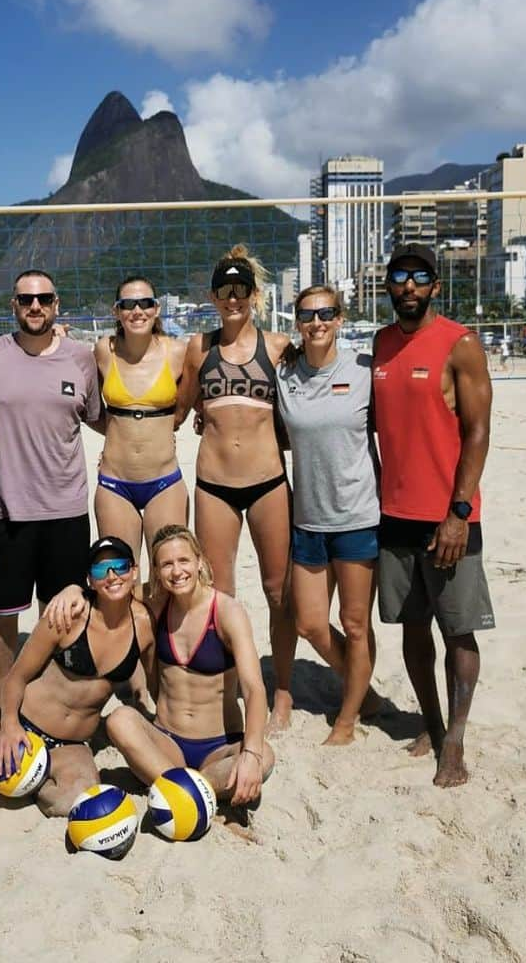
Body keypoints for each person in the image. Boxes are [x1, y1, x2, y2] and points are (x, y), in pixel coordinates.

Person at [0, 538, 155, 829]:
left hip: (72, 744)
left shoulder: (144, 625)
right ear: (89, 579)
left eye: (119, 567)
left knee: (78, 802)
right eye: (101, 570)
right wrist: (10, 727)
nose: (112, 576)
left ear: (135, 571)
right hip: (21, 724)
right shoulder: (68, 616)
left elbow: (159, 684)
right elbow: (17, 677)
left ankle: (26, 780)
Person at [373, 243, 494, 788]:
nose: (409, 286)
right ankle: (430, 721)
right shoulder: (378, 345)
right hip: (394, 515)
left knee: (458, 632)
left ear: (435, 287)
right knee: (412, 628)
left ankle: (455, 743)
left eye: (419, 278)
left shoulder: (460, 344)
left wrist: (459, 513)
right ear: (389, 285)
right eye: (400, 276)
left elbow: (478, 431)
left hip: (448, 518)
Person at [47, 525, 273, 807]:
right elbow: (111, 587)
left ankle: (182, 792)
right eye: (166, 564)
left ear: (199, 561)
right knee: (119, 720)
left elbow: (253, 689)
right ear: (156, 571)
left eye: (183, 561)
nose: (176, 572)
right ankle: (194, 795)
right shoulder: (156, 603)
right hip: (167, 743)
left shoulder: (227, 612)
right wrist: (74, 590)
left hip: (219, 746)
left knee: (264, 756)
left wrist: (250, 754)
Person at [177, 246, 295, 730]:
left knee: (277, 589)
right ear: (212, 295)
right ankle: (228, 688)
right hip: (215, 485)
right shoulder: (198, 348)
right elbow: (179, 407)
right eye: (224, 289)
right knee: (220, 593)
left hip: (268, 482)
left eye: (240, 289)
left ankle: (282, 689)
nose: (232, 297)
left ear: (254, 294)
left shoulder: (278, 346)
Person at [0, 270, 102, 697]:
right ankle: (4, 696)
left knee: (61, 611)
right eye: (26, 299)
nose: (35, 306)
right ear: (13, 305)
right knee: (2, 614)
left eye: (43, 299)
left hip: (66, 509)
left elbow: (101, 419)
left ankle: (49, 694)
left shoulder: (80, 357)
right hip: (5, 509)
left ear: (56, 304)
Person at [275, 284, 382, 745]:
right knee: (311, 625)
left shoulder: (362, 369)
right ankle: (362, 686)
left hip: (357, 515)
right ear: (297, 322)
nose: (317, 322)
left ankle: (348, 717)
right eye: (307, 315)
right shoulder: (286, 374)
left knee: (356, 624)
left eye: (326, 313)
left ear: (341, 318)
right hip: (308, 519)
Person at [95, 274, 188, 559]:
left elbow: (188, 404)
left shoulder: (177, 352)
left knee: (170, 578)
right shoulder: (103, 350)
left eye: (145, 303)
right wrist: (115, 434)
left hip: (164, 481)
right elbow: (90, 409)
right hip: (114, 482)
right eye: (128, 304)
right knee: (120, 582)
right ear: (116, 311)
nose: (137, 311)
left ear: (156, 309)